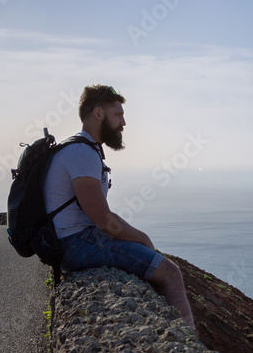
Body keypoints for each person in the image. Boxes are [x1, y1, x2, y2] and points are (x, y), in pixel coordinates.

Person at [43, 85, 195, 328]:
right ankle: (190, 344)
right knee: (170, 273)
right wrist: (142, 238)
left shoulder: (81, 149)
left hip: (70, 240)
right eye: (118, 115)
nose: (123, 123)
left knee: (155, 266)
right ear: (99, 114)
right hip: (75, 244)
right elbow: (103, 220)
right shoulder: (81, 153)